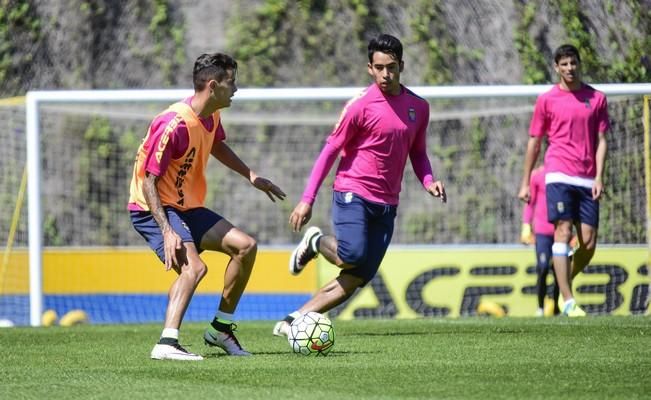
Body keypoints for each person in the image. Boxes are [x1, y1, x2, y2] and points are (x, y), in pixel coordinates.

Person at [272, 34, 446, 336]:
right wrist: (307, 199)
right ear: (369, 68)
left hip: (388, 202)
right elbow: (329, 151)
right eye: (379, 68)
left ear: (402, 65)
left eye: (391, 67)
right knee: (352, 255)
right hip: (353, 192)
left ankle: (293, 320)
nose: (385, 75)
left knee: (358, 276)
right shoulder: (359, 106)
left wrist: (429, 180)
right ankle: (315, 242)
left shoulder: (419, 107)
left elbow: (418, 153)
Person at [128, 53, 286, 360]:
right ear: (213, 86)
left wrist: (250, 174)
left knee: (246, 246)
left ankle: (220, 329)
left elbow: (215, 144)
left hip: (187, 206)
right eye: (232, 82)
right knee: (195, 268)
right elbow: (149, 181)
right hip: (152, 207)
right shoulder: (173, 124)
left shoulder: (211, 115)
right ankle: (167, 343)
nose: (236, 89)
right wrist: (167, 230)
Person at [518, 44, 609, 317]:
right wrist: (525, 181)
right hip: (557, 173)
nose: (570, 68)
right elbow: (535, 142)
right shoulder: (547, 99)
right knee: (563, 231)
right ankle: (567, 300)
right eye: (564, 64)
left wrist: (599, 176)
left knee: (588, 244)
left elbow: (602, 141)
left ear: (580, 64)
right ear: (556, 68)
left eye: (574, 63)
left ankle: (562, 281)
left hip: (587, 177)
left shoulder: (597, 98)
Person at [520, 165, 560, 317]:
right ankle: (540, 307)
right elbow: (530, 203)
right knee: (542, 268)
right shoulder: (537, 175)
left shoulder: (563, 174)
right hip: (542, 232)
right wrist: (526, 225)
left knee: (558, 270)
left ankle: (557, 307)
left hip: (559, 231)